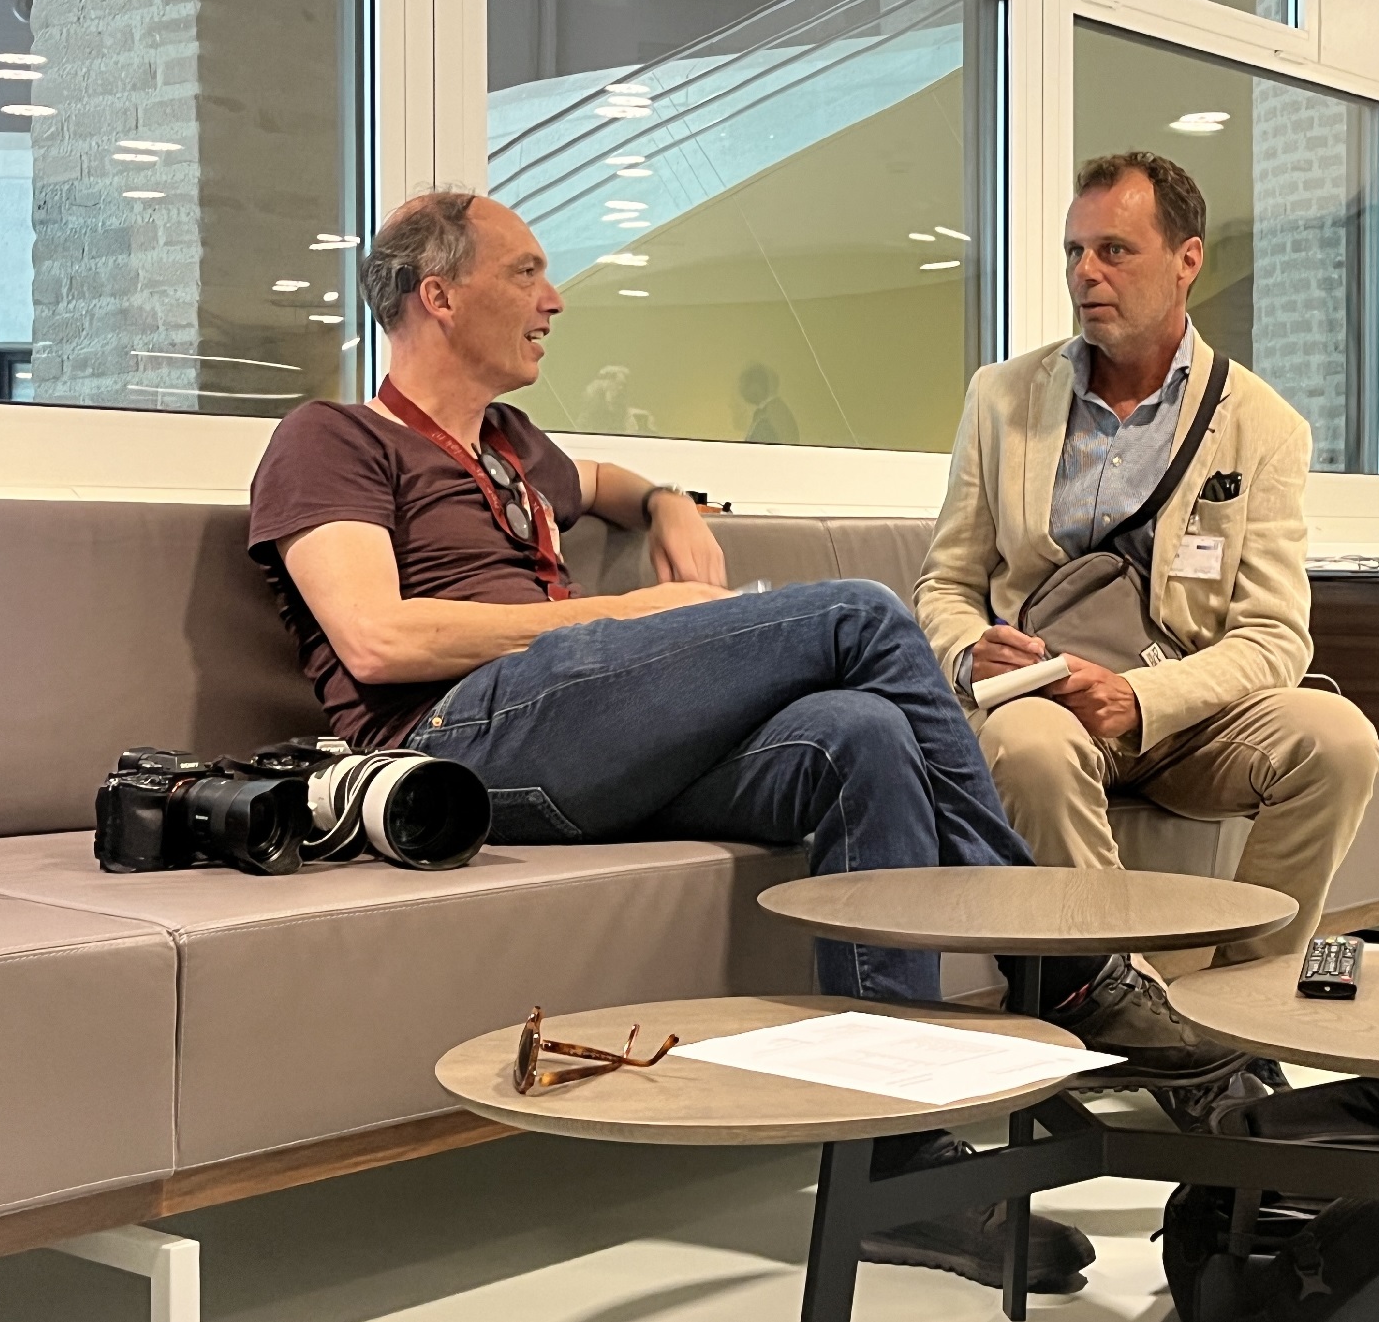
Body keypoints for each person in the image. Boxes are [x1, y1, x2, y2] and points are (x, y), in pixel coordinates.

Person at [242, 189, 1209, 1294]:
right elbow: (375, 639)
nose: (554, 299)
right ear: (439, 295)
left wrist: (667, 504)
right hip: (451, 748)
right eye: (526, 272)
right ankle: (1059, 959)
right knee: (860, 613)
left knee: (861, 734)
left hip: (578, 740)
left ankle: (894, 1164)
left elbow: (611, 485)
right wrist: (619, 614)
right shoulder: (331, 438)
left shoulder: (511, 447)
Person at [916, 152, 1379, 973]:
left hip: (1184, 712)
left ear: (1185, 260)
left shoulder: (1265, 426)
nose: (1085, 273)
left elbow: (1275, 637)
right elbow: (946, 582)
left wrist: (1139, 698)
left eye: (1114, 251)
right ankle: (1119, 993)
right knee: (1029, 747)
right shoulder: (1000, 398)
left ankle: (1245, 999)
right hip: (1044, 701)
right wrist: (967, 653)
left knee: (1340, 741)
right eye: (1074, 251)